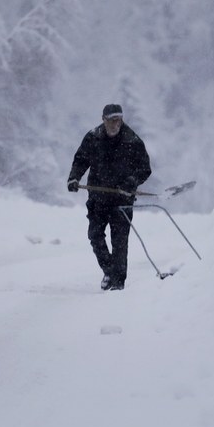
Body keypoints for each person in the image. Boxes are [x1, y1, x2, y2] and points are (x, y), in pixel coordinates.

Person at [67, 103, 152, 291]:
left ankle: (118, 283)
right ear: (103, 120)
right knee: (95, 236)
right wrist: (74, 178)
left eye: (119, 120)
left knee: (120, 241)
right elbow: (81, 160)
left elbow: (145, 169)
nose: (116, 124)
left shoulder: (132, 140)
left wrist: (131, 182)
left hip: (122, 200)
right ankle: (109, 271)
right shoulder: (92, 138)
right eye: (112, 120)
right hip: (98, 199)